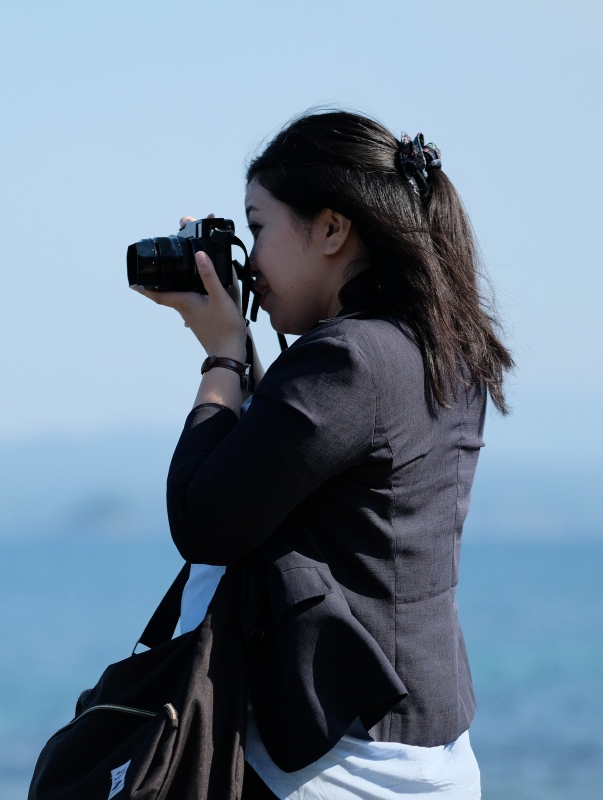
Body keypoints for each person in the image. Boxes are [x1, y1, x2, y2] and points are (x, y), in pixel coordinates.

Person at [132, 110, 513, 799]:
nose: (249, 260)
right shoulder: (441, 349)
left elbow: (204, 521)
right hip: (431, 747)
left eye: (258, 227)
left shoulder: (347, 358)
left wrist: (220, 357)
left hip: (333, 764)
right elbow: (290, 465)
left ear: (333, 229)